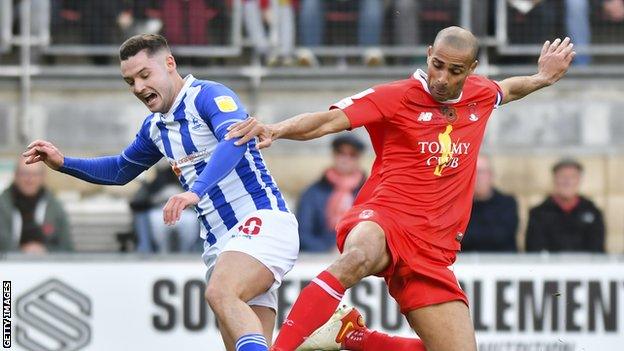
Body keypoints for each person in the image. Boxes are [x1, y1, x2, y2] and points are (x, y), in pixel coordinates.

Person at [226, 26, 575, 351]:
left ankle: (354, 335)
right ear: (428, 55)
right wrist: (276, 129)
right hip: (385, 216)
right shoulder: (395, 97)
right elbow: (328, 120)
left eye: (454, 71)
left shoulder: (480, 95)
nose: (441, 78)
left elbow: (509, 89)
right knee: (357, 258)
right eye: (437, 65)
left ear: (471, 69)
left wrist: (542, 78)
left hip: (432, 249)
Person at [23, 34, 299, 351]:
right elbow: (119, 170)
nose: (138, 88)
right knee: (246, 344)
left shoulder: (209, 96)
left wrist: (194, 192)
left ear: (169, 64)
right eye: (130, 82)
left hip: (261, 221)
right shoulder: (155, 127)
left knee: (220, 292)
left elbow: (235, 141)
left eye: (144, 75)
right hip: (221, 242)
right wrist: (62, 163)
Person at [297, 135, 366, 253]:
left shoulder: (369, 192)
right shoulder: (313, 192)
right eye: (341, 153)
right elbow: (302, 233)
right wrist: (328, 250)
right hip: (320, 258)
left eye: (352, 154)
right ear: (334, 155)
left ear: (358, 158)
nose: (345, 159)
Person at [525, 158, 605, 252]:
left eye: (573, 176)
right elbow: (534, 249)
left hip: (584, 266)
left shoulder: (593, 212)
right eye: (562, 176)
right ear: (554, 179)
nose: (567, 181)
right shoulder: (538, 214)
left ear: (579, 180)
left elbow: (597, 250)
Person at [0, 156, 72, 253]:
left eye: (35, 174)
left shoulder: (55, 208)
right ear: (15, 175)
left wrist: (45, 252)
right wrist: (21, 253)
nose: (30, 179)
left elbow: (67, 248)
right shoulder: (2, 206)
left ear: (43, 177)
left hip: (47, 265)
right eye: (24, 174)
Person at [130, 162, 202, 253]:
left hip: (186, 211)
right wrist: (149, 187)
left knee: (191, 221)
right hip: (158, 210)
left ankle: (189, 252)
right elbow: (137, 202)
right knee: (156, 222)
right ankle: (156, 251)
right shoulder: (155, 178)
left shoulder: (189, 175)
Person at [461, 155, 518, 252]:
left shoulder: (507, 204)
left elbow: (501, 236)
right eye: (473, 172)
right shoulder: (459, 205)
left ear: (491, 175)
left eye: (481, 172)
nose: (477, 177)